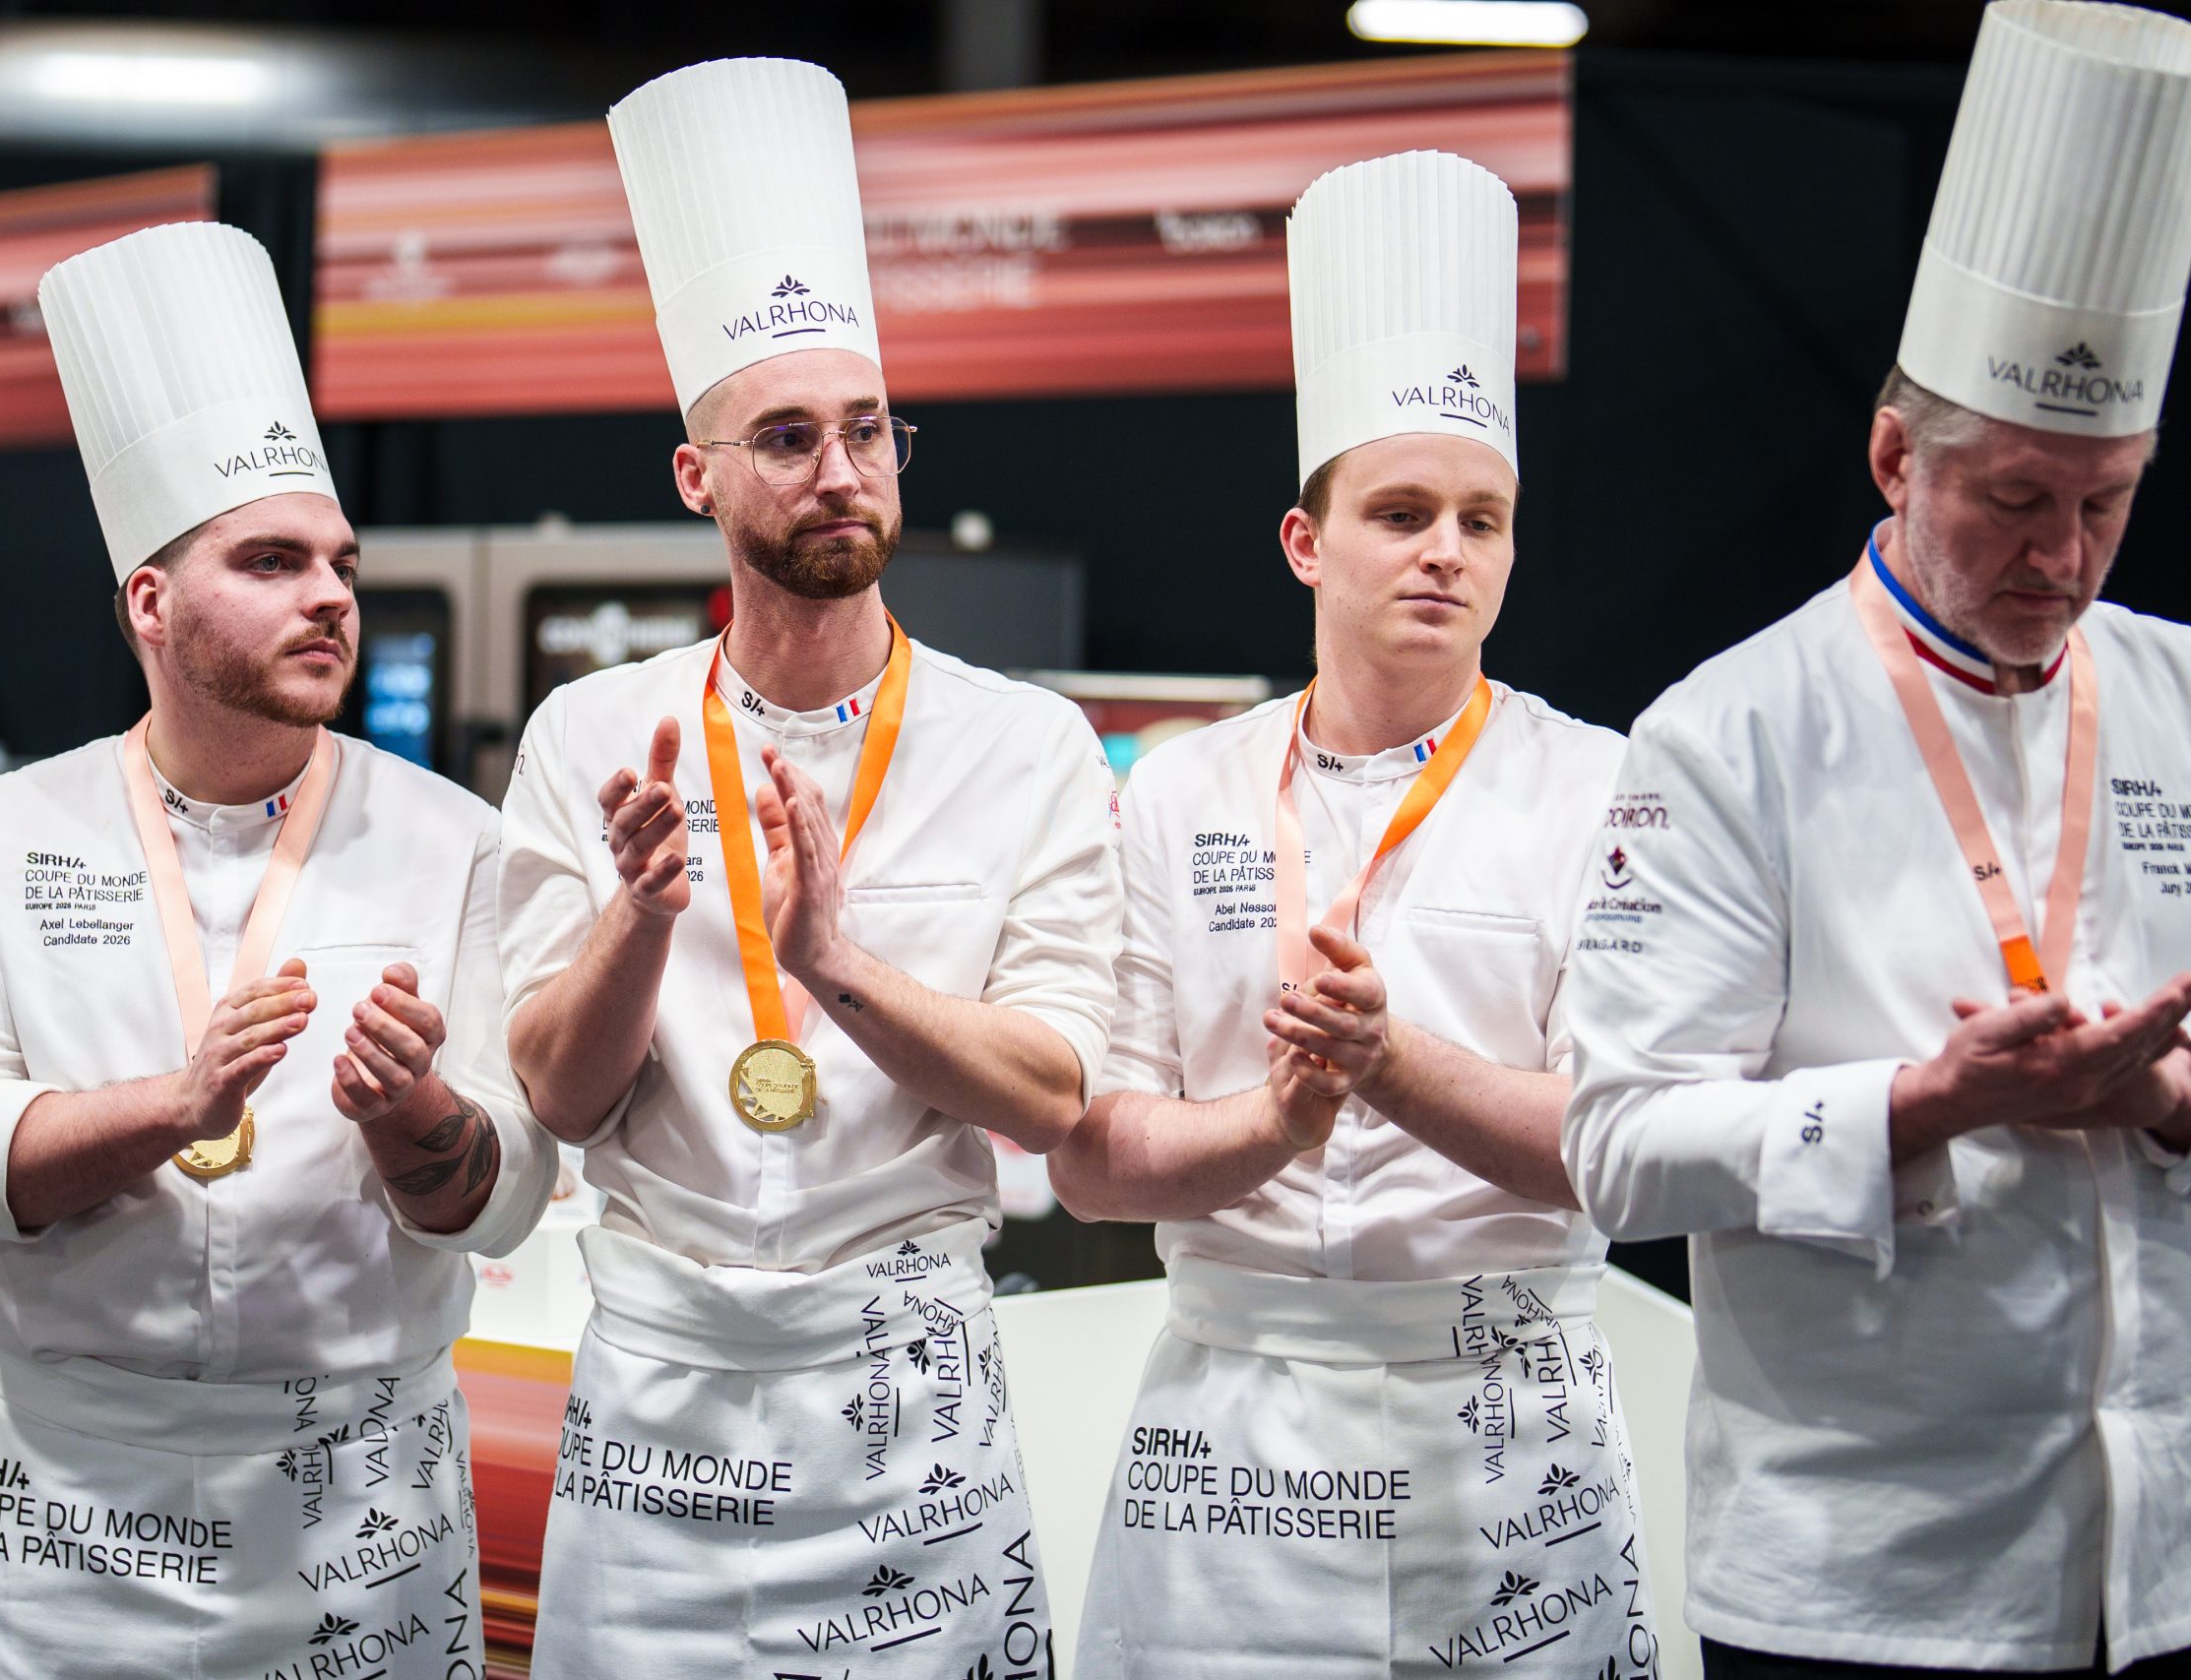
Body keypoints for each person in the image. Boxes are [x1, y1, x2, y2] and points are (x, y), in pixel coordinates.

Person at [1560, 4, 2191, 1673]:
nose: (2063, 556)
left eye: (2107, 501)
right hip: (1865, 1581)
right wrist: (1932, 1103)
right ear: (1899, 454)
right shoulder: (1726, 735)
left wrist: (2162, 1099)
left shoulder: (2186, 695)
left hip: (2167, 1561)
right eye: (2016, 499)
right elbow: (1617, 1146)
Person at [506, 56, 1120, 1678]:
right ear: (698, 477)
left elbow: (1052, 1094)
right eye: (787, 437)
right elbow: (560, 1100)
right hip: (661, 1398)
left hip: (904, 1392)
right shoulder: (590, 738)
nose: (841, 473)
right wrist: (641, 921)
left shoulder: (1026, 745)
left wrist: (836, 962)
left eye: (868, 431)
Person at [0, 221, 554, 1679]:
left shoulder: (455, 841)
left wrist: (425, 1124)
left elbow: (510, 1199)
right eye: (272, 561)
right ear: (150, 603)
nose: (331, 595)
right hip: (65, 1521)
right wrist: (176, 1109)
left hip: (355, 1523)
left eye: (341, 565)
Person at [1050, 152, 1654, 1678]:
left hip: (1504, 1431)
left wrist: (1397, 1070)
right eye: (1402, 511)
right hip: (1236, 1434)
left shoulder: (1605, 788)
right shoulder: (1184, 795)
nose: (1448, 550)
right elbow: (1090, 1164)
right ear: (1307, 544)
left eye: (1483, 517)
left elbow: (1626, 1151)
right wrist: (1276, 1126)